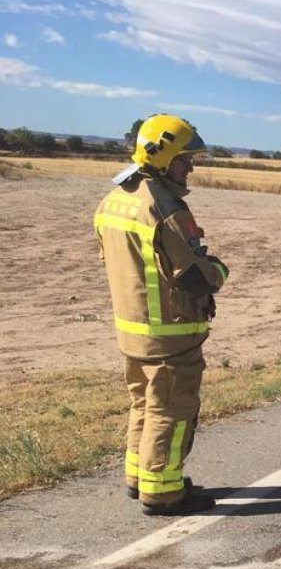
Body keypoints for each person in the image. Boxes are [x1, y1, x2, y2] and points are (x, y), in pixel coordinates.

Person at [95, 114, 228, 515]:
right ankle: (165, 492)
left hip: (132, 331)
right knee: (172, 411)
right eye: (186, 160)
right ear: (165, 158)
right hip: (169, 333)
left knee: (145, 405)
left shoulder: (118, 197)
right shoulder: (164, 207)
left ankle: (139, 478)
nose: (191, 168)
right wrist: (220, 270)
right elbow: (194, 275)